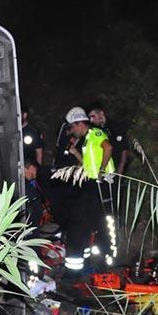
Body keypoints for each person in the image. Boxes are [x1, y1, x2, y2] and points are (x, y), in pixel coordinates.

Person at [61, 108, 115, 272]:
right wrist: (75, 152)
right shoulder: (85, 140)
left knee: (99, 221)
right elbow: (87, 163)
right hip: (90, 184)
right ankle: (90, 260)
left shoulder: (95, 133)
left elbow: (108, 147)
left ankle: (104, 258)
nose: (72, 131)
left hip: (101, 184)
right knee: (87, 220)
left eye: (72, 127)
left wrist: (102, 169)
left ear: (79, 124)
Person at [87, 103, 129, 175]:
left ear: (101, 113)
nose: (91, 120)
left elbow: (124, 148)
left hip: (118, 166)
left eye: (93, 116)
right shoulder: (97, 130)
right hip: (107, 167)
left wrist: (121, 168)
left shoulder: (115, 126)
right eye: (90, 117)